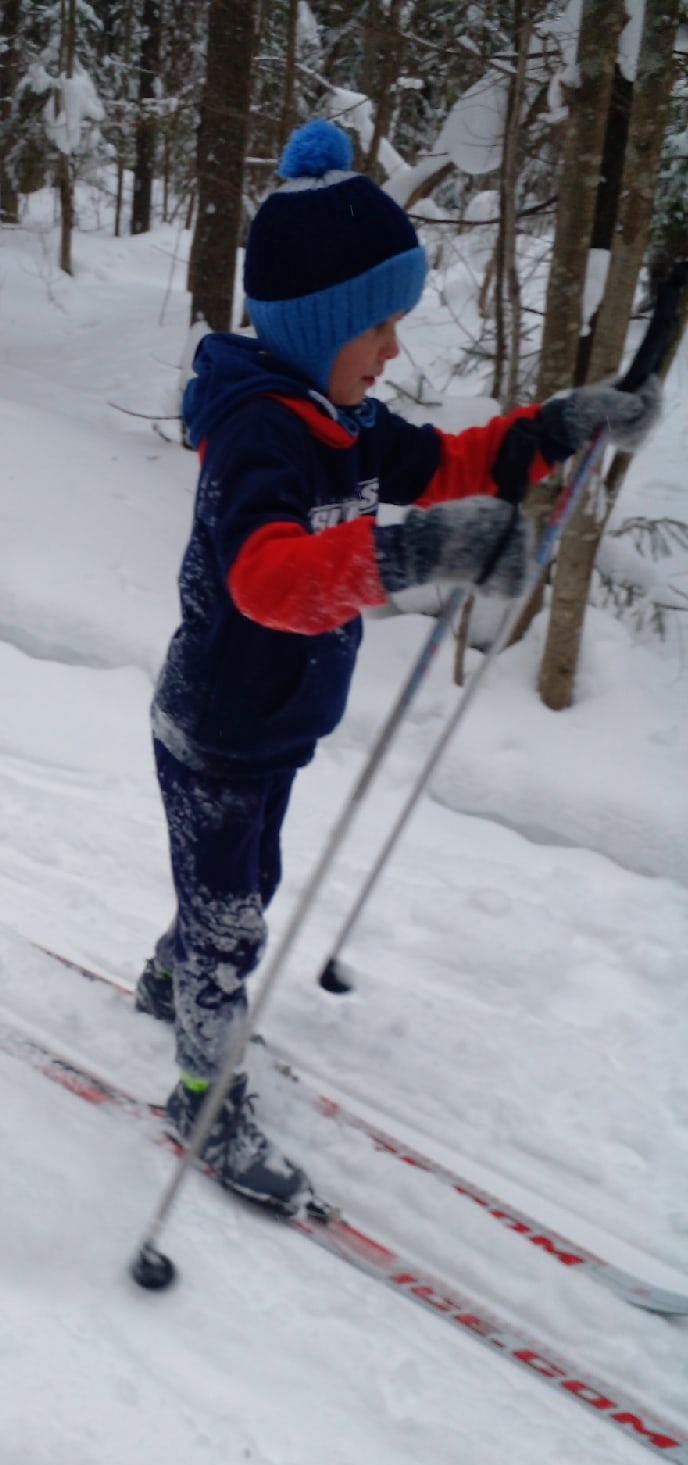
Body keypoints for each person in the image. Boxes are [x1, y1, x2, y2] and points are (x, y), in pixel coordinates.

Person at [136, 120, 661, 1213]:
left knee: (240, 885)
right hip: (219, 723)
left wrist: (564, 424)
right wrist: (417, 552)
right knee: (235, 910)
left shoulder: (348, 418)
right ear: (316, 321)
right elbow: (266, 580)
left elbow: (459, 458)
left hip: (279, 719)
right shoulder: (258, 437)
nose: (393, 348)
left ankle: (170, 975)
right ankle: (200, 1088)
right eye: (377, 325)